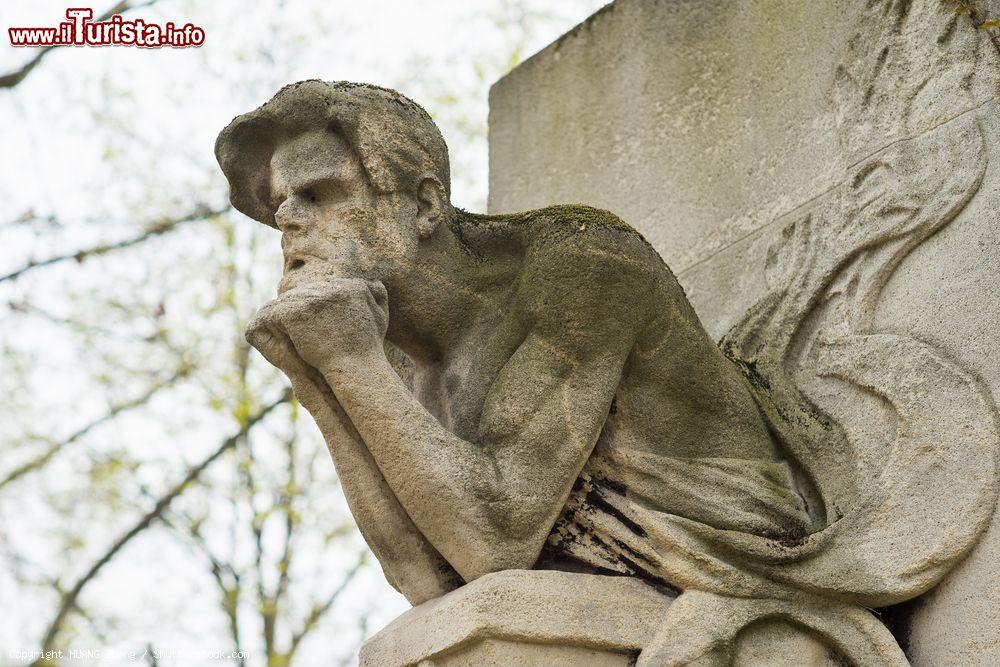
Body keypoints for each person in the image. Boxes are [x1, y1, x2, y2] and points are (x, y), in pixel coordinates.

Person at [215, 80, 810, 604]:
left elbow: (493, 541)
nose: (292, 221)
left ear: (424, 204)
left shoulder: (581, 265)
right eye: (280, 208)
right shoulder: (380, 345)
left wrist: (347, 359)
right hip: (581, 586)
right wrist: (316, 377)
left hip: (735, 566)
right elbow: (426, 580)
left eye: (321, 195)